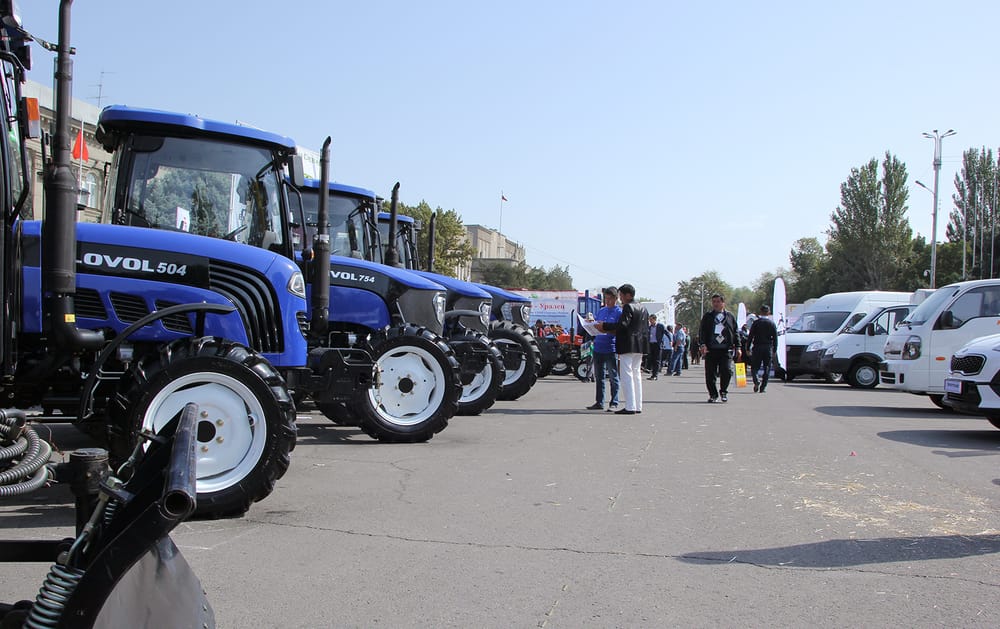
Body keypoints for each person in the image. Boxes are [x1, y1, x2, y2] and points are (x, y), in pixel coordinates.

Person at [595, 284, 648, 415]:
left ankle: (630, 406)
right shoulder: (643, 307)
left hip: (628, 344)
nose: (620, 299)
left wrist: (605, 326)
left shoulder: (628, 307)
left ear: (628, 295)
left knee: (627, 375)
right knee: (636, 375)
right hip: (640, 345)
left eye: (621, 296)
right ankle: (637, 405)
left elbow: (623, 325)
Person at [698, 293, 742, 403]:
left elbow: (735, 332)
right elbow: (702, 331)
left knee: (726, 371)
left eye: (718, 302)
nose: (716, 304)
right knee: (710, 374)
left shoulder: (729, 316)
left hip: (725, 349)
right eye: (714, 302)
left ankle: (723, 391)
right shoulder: (708, 316)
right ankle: (713, 394)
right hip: (711, 349)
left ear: (723, 303)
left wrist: (738, 346)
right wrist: (702, 344)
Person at [586, 287, 622, 411]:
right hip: (598, 346)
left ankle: (614, 402)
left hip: (611, 347)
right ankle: (599, 402)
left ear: (616, 298)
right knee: (599, 376)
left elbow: (619, 330)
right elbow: (597, 324)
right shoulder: (601, 311)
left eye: (610, 298)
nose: (608, 301)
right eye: (606, 298)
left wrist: (605, 328)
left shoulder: (619, 312)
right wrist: (591, 324)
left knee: (613, 376)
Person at [747, 304, 779, 392]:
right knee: (767, 367)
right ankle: (763, 387)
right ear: (768, 312)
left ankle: (756, 380)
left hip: (757, 347)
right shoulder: (772, 324)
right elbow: (775, 338)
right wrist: (775, 349)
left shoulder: (756, 323)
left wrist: (747, 348)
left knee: (755, 367)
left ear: (760, 312)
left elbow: (750, 336)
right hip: (768, 347)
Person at [646, 315, 665, 380]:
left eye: (651, 319)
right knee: (651, 359)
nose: (650, 321)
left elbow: (666, 333)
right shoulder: (649, 327)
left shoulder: (660, 326)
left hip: (657, 344)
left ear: (655, 319)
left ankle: (655, 375)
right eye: (649, 320)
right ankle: (652, 374)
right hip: (651, 344)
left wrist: (670, 341)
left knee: (657, 360)